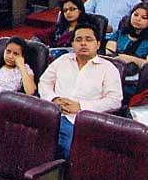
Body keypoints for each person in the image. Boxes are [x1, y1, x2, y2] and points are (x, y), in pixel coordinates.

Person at [38, 24, 123, 158]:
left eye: (88, 39)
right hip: (52, 113)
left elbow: (115, 101)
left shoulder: (108, 68)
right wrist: (53, 99)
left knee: (69, 152)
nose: (83, 43)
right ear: (72, 44)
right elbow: (44, 82)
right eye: (78, 40)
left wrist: (81, 107)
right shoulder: (62, 60)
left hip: (81, 121)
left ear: (98, 44)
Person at [0, 37, 36, 112]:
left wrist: (21, 66)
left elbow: (30, 92)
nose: (10, 56)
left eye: (16, 54)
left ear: (22, 56)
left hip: (7, 104)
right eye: (8, 51)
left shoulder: (26, 70)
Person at [105, 3, 148, 95]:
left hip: (136, 80)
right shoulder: (120, 33)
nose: (138, 19)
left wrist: (129, 59)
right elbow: (109, 53)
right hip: (112, 73)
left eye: (144, 17)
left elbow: (146, 65)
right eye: (135, 15)